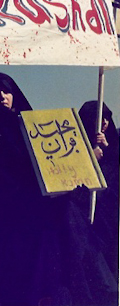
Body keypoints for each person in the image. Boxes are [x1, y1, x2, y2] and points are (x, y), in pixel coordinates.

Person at [0, 73, 117, 306]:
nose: (2, 97)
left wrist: (87, 159)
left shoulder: (31, 129)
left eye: (6, 91)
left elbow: (56, 166)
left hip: (34, 218)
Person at [79, 101, 119, 280]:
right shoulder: (77, 144)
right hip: (85, 210)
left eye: (106, 117)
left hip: (111, 210)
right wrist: (90, 156)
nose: (103, 122)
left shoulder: (116, 142)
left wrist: (108, 148)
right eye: (98, 117)